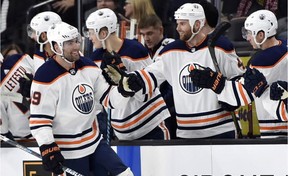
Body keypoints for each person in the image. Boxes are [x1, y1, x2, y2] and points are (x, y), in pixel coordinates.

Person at [29, 21, 151, 176]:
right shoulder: (45, 76)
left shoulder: (88, 66)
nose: (76, 46)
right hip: (67, 152)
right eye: (69, 43)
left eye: (76, 41)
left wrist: (125, 88)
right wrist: (47, 147)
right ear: (55, 47)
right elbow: (39, 121)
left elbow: (109, 99)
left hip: (93, 143)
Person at [103, 3, 246, 139]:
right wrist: (127, 81)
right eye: (177, 23)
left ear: (197, 24)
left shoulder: (220, 46)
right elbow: (149, 75)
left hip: (221, 130)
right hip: (186, 133)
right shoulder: (170, 51)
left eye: (182, 23)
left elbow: (243, 85)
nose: (177, 28)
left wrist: (220, 85)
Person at [190, 10, 287, 138]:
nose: (247, 38)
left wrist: (214, 83)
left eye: (249, 33)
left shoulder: (263, 60)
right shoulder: (284, 45)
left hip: (276, 130)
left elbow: (244, 94)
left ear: (261, 35)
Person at [85, 8, 171, 141]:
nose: (89, 37)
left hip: (151, 127)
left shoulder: (135, 50)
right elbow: (101, 99)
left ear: (103, 33)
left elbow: (147, 91)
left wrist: (123, 76)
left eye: (91, 32)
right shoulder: (95, 58)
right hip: (121, 134)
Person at [138, 14, 176, 138]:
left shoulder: (171, 48)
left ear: (160, 30)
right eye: (143, 35)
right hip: (149, 111)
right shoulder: (141, 51)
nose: (146, 38)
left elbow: (173, 85)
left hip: (169, 110)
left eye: (149, 33)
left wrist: (157, 106)